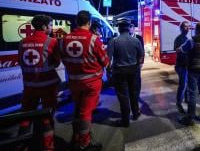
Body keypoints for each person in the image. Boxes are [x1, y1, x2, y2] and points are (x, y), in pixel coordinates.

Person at [61, 10, 109, 151]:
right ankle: (85, 144)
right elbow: (106, 62)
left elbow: (63, 59)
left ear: (76, 22)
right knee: (86, 112)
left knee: (78, 108)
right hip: (91, 83)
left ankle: (76, 136)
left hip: (73, 82)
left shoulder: (64, 39)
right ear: (89, 22)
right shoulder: (94, 39)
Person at [17, 15, 61, 151]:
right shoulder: (51, 41)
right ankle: (48, 147)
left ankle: (21, 146)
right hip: (48, 85)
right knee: (47, 117)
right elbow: (57, 61)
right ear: (43, 26)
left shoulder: (22, 42)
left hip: (29, 86)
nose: (51, 27)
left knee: (26, 116)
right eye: (50, 25)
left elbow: (20, 61)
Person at [107, 18, 144, 127]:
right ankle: (136, 113)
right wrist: (137, 65)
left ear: (119, 28)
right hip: (134, 70)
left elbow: (108, 58)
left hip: (119, 71)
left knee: (123, 96)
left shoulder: (114, 41)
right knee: (134, 93)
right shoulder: (136, 41)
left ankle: (125, 120)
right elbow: (141, 56)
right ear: (128, 28)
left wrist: (109, 71)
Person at [177, 22, 200, 126]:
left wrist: (179, 49)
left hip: (193, 69)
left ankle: (190, 118)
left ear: (196, 30)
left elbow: (182, 49)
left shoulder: (193, 40)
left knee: (192, 93)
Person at [173, 21, 190, 114]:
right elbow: (177, 50)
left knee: (186, 83)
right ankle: (179, 103)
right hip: (181, 66)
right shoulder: (178, 39)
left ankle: (187, 100)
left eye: (188, 27)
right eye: (185, 27)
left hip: (186, 65)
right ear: (181, 28)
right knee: (183, 85)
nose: (187, 28)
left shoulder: (187, 38)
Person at [129, 23, 144, 102]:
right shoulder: (126, 38)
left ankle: (137, 94)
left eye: (131, 28)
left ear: (134, 29)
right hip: (129, 63)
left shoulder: (139, 38)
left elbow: (142, 51)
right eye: (129, 28)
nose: (130, 29)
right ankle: (131, 93)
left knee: (137, 79)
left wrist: (141, 62)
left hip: (137, 63)